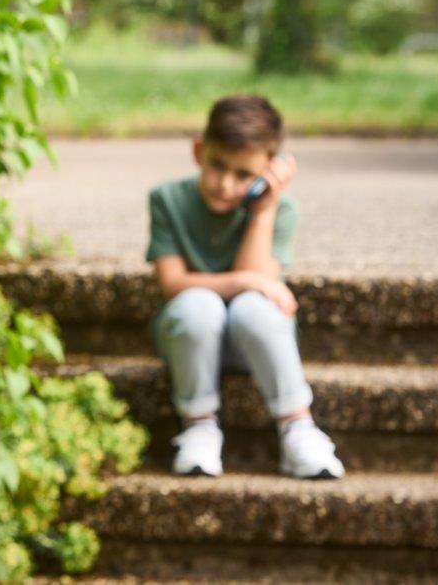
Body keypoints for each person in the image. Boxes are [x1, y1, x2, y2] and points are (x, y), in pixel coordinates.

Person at [145, 94, 343, 480]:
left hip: (250, 339)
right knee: (197, 304)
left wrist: (263, 211)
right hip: (189, 339)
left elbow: (258, 289)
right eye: (217, 165)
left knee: (254, 307)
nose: (225, 184)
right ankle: (199, 426)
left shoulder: (281, 210)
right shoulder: (167, 199)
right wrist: (243, 281)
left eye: (244, 176)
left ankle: (297, 426)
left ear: (269, 173)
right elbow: (172, 284)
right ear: (199, 151)